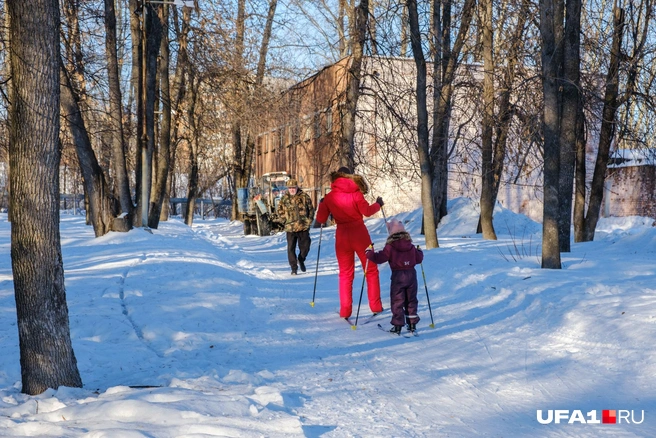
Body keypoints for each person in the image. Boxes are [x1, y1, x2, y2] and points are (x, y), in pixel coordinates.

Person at [315, 166, 384, 319]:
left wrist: (322, 204)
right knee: (371, 270)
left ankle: (345, 310)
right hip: (360, 234)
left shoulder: (330, 197)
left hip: (342, 236)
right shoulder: (356, 193)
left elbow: (320, 219)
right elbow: (367, 211)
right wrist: (378, 204)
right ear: (350, 177)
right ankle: (376, 306)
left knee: (345, 274)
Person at [365, 219, 423, 334]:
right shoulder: (410, 245)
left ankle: (397, 326)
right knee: (411, 300)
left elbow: (380, 258)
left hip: (398, 276)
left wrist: (369, 253)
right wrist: (419, 251)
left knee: (397, 301)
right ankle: (412, 325)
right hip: (411, 276)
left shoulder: (390, 246)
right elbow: (419, 259)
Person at [276, 178, 314, 275]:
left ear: (297, 187)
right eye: (290, 188)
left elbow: (311, 209)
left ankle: (301, 259)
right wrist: (284, 220)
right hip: (290, 228)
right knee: (291, 248)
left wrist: (309, 220)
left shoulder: (304, 196)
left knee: (306, 246)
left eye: (293, 187)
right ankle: (294, 268)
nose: (292, 189)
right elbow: (279, 210)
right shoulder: (284, 199)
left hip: (303, 226)